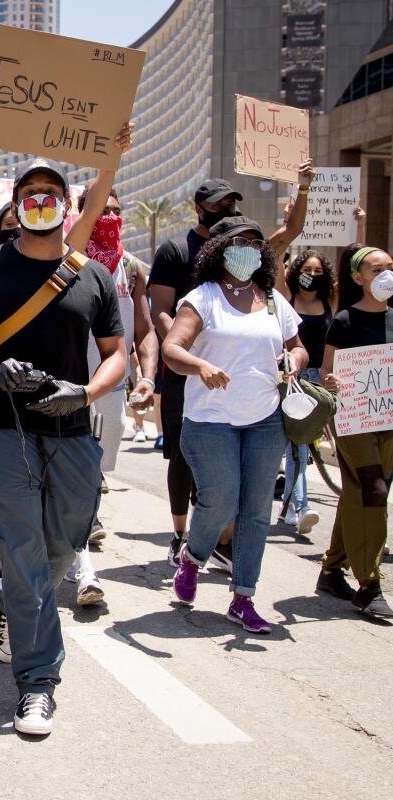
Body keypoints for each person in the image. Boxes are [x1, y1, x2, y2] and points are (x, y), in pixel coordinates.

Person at [0, 156, 126, 736]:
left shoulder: (91, 275)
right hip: (5, 432)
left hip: (73, 433)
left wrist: (87, 391)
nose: (41, 200)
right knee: (23, 552)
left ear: (66, 205)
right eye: (30, 192)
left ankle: (17, 597)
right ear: (16, 203)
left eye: (51, 192)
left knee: (62, 545)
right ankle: (38, 683)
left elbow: (117, 351)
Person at [162, 216, 307, 634]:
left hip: (265, 419)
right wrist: (201, 365)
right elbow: (173, 348)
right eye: (240, 241)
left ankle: (243, 597)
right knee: (221, 501)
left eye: (256, 242)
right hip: (210, 420)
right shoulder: (202, 298)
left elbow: (297, 348)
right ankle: (193, 557)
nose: (249, 248)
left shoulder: (275, 300)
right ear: (220, 249)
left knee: (257, 510)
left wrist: (293, 362)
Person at [66, 185, 158, 604]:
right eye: (101, 210)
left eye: (116, 211)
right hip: (67, 380)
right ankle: (81, 563)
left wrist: (147, 377)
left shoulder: (133, 268)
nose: (110, 217)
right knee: (76, 470)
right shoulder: (67, 256)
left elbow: (144, 330)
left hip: (110, 383)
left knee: (95, 465)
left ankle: (80, 526)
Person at [147, 179, 242, 569]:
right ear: (200, 208)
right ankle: (180, 535)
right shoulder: (173, 250)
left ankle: (221, 540)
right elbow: (160, 310)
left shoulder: (238, 254)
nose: (226, 210)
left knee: (223, 453)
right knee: (183, 456)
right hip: (184, 370)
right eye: (219, 204)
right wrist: (186, 351)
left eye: (231, 204)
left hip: (226, 372)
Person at [318, 243, 393, 618]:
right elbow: (326, 372)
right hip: (355, 420)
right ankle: (369, 584)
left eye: (390, 267)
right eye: (377, 269)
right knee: (373, 490)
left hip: (388, 420)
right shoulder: (345, 321)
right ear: (359, 277)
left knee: (359, 492)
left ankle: (331, 569)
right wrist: (332, 381)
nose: (385, 275)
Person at [277, 249, 335, 533]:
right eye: (307, 270)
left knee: (298, 449)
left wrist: (358, 225)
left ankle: (288, 507)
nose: (311, 276)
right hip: (294, 380)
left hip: (322, 384)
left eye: (317, 272)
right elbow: (276, 262)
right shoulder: (287, 298)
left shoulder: (329, 301)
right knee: (298, 447)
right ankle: (302, 506)